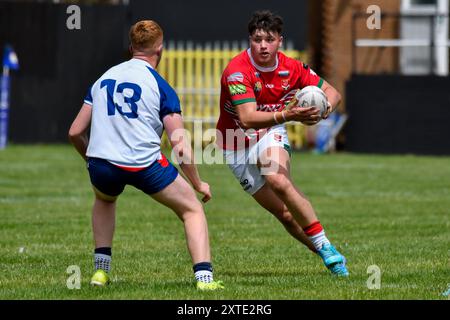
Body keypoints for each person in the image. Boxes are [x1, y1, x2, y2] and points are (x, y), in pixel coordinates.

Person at [68, 20, 224, 290]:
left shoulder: (103, 78)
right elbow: (181, 147)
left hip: (102, 164)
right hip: (144, 164)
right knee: (192, 209)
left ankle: (100, 273)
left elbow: (75, 132)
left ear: (131, 47)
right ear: (160, 50)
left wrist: (91, 160)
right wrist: (198, 184)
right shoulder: (161, 86)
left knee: (105, 200)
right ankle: (205, 280)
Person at [216, 10, 349, 276]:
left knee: (277, 180)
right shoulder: (237, 71)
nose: (262, 45)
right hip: (234, 142)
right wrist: (290, 114)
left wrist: (321, 113)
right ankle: (326, 250)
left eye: (269, 39)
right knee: (285, 215)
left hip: (269, 131)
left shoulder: (292, 67)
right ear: (249, 41)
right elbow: (248, 117)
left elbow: (332, 93)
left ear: (280, 41)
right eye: (256, 39)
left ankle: (324, 247)